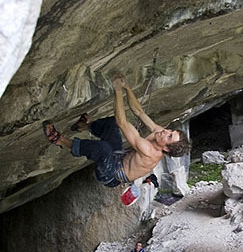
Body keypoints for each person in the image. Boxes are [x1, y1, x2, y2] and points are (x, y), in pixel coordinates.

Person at [42, 74, 191, 190]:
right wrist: (127, 87)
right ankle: (83, 126)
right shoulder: (160, 134)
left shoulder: (149, 152)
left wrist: (117, 90)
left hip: (110, 174)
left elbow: (123, 123)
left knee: (103, 148)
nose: (165, 131)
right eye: (170, 131)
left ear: (165, 148)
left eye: (169, 136)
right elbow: (139, 112)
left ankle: (60, 141)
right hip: (117, 157)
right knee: (111, 124)